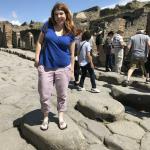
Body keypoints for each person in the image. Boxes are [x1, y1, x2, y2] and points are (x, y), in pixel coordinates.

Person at [34, 2, 75, 130]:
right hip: (46, 66)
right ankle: (46, 116)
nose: (58, 16)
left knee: (62, 95)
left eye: (61, 13)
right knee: (44, 94)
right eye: (56, 14)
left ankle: (60, 116)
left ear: (66, 14)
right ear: (53, 15)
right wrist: (37, 58)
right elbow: (39, 42)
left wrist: (72, 69)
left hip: (64, 68)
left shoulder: (71, 30)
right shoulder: (47, 26)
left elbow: (72, 52)